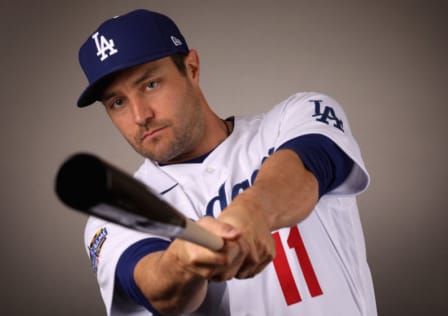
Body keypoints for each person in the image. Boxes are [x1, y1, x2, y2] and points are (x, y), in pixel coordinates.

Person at [76, 9, 377, 316]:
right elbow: (159, 290)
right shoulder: (118, 211)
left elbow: (302, 171)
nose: (140, 116)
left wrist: (251, 211)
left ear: (191, 68)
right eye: (118, 102)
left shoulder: (294, 118)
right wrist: (182, 260)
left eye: (150, 85)